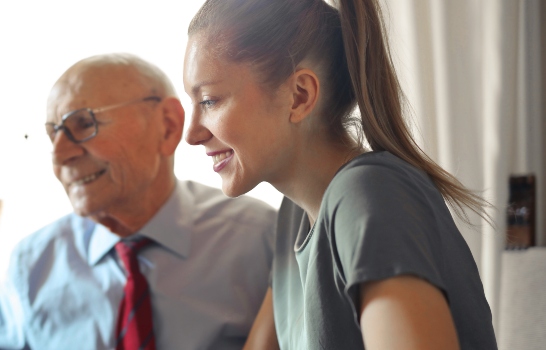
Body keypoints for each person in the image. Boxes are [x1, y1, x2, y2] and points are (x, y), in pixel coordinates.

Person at [0, 53, 277, 350]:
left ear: (168, 126)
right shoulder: (36, 260)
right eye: (52, 133)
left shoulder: (263, 241)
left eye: (82, 125)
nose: (59, 154)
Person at [182, 0, 497, 349]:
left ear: (299, 96)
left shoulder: (369, 195)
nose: (192, 134)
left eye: (209, 101)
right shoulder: (295, 217)